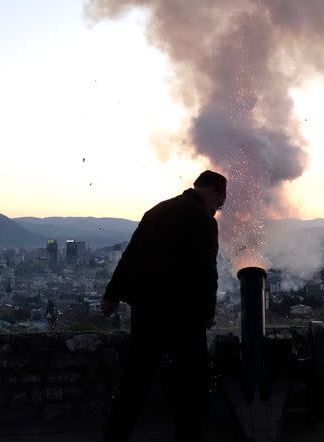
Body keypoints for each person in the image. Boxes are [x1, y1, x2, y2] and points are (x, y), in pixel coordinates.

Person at [101, 170, 227, 442]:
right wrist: (208, 312)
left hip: (147, 310)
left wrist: (112, 295)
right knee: (192, 384)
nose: (218, 210)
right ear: (214, 192)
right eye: (220, 203)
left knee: (136, 380)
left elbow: (130, 256)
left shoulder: (157, 211)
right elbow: (207, 272)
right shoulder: (203, 220)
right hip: (184, 314)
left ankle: (115, 435)